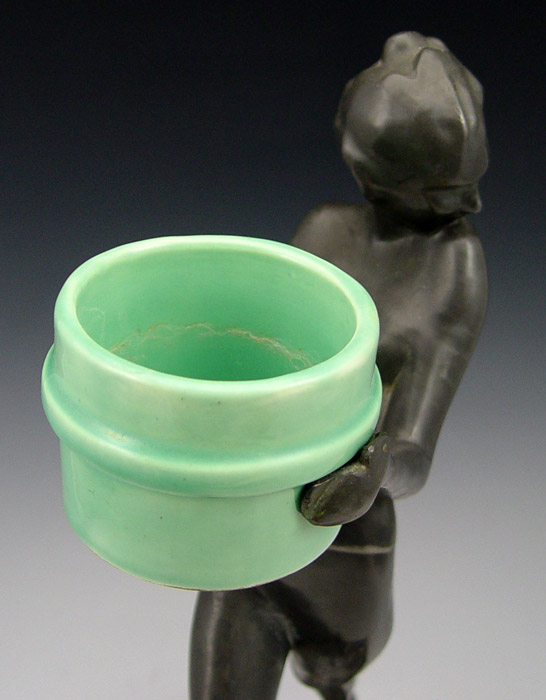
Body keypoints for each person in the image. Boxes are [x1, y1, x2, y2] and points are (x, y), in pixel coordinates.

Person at [190, 32, 488, 700]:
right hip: (253, 523)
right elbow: (253, 366)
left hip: (345, 550)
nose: (464, 205)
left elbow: (414, 454)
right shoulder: (326, 230)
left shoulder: (454, 265)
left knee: (331, 677)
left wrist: (371, 470)